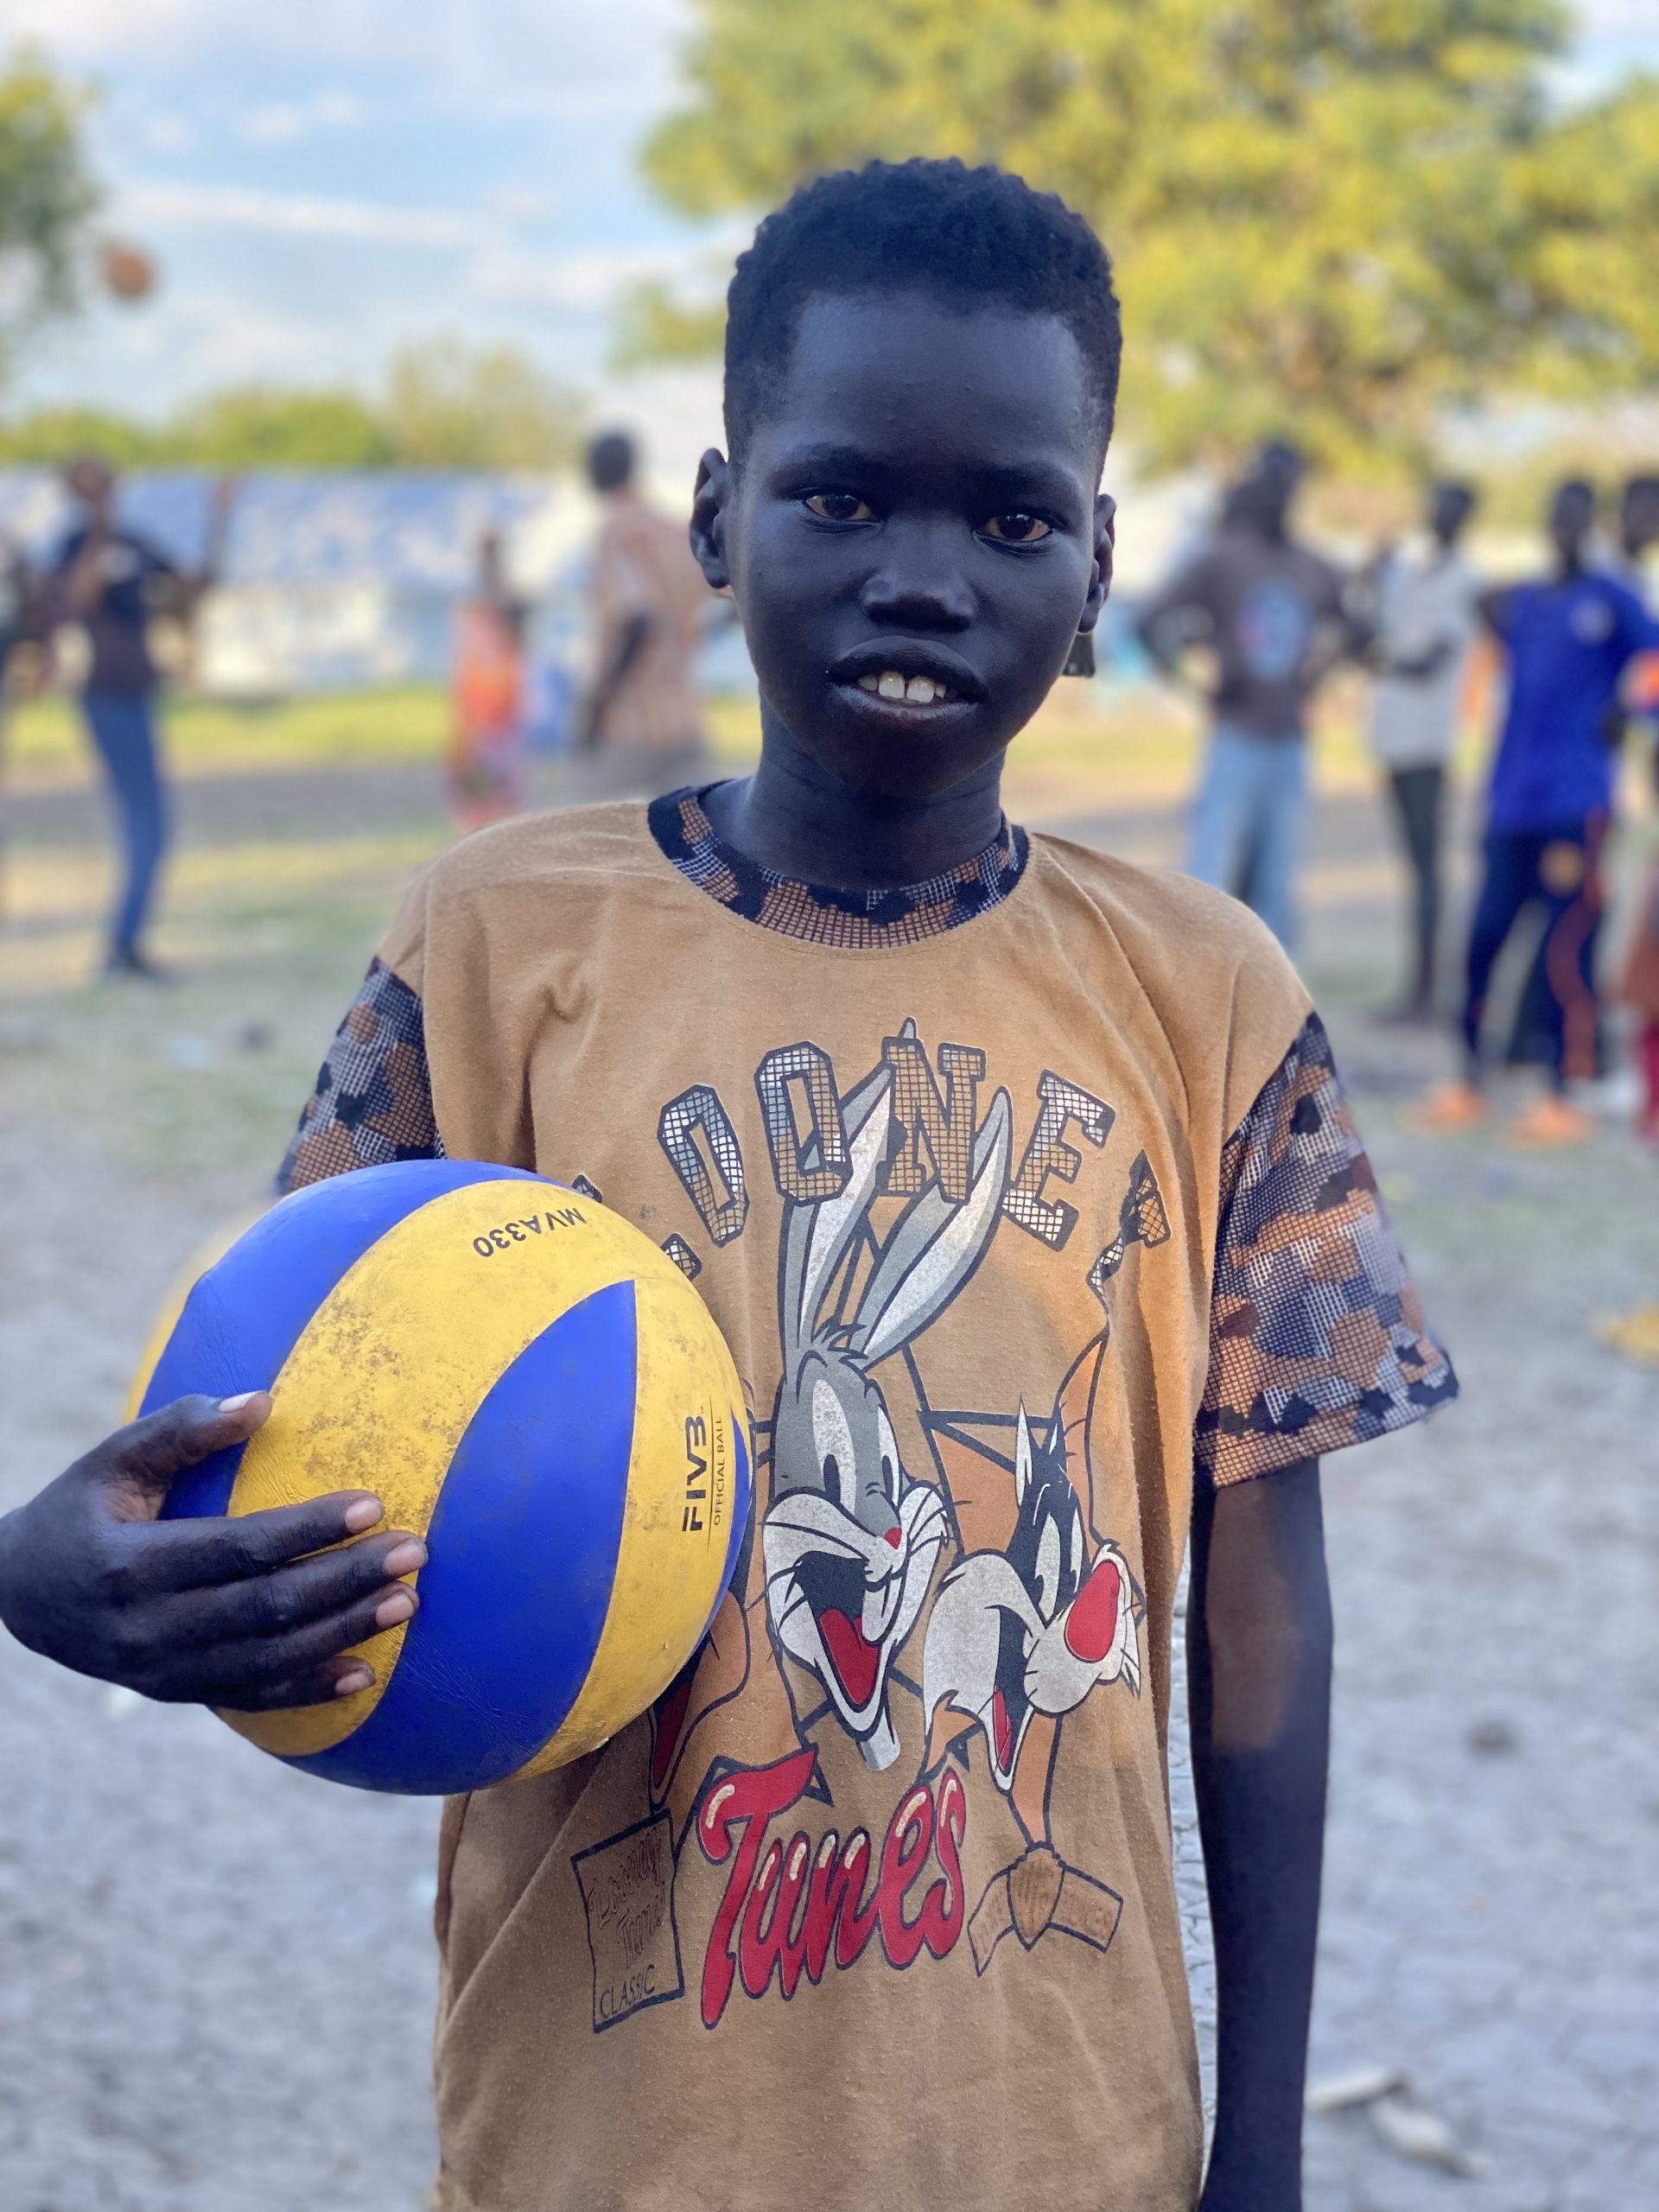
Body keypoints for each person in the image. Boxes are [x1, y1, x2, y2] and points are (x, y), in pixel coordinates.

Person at [0, 161, 1459, 2212]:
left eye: (1010, 515)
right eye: (844, 495)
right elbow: (289, 1421)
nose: (924, 572)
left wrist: (1263, 2149)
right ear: (715, 515)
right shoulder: (493, 938)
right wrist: (65, 1572)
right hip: (606, 2139)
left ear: (1102, 560)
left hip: (1065, 2129)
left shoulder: (1210, 995)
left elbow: (1262, 1607)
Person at [1413, 480, 1659, 1146]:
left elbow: (1655, 657)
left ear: (1592, 524)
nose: (1566, 531)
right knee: (1485, 938)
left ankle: (1563, 1090)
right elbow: (1482, 608)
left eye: (1577, 519)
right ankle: (1469, 1079)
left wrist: (1631, 711)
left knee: (1563, 946)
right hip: (1510, 799)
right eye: (1557, 519)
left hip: (1576, 803)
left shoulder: (1611, 598)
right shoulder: (1527, 602)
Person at [1136, 441, 1359, 950]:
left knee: (1277, 883)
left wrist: (1318, 676)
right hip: (1235, 737)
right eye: (1273, 483)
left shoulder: (1312, 565)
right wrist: (1193, 683)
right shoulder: (1223, 560)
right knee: (1211, 871)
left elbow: (1357, 628)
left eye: (1291, 485)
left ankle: (1271, 1004)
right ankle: (1193, 992)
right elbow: (1151, 620)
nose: (1282, 495)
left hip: (1290, 741)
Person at [48, 460, 236, 980]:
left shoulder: (136, 542)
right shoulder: (73, 545)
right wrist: (98, 520)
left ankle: (127, 944)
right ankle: (122, 947)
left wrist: (219, 519)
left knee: (153, 825)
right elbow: (79, 598)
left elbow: (196, 587)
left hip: (139, 697)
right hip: (104, 698)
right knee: (146, 824)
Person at [1364, 484, 1481, 1020]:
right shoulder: (1409, 572)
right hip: (1392, 738)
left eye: (1451, 506)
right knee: (1416, 867)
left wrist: (1381, 656)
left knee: (1427, 867)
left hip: (1428, 743)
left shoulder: (1464, 580)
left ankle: (1429, 992)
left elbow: (1431, 658)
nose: (1440, 512)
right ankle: (1421, 988)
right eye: (1437, 502)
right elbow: (1371, 621)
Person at [580, 428, 708, 794]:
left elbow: (637, 619)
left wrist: (599, 701)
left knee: (597, 836)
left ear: (598, 469)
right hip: (683, 714)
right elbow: (726, 601)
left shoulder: (617, 532)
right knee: (687, 842)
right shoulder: (672, 530)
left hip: (631, 723)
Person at [447, 527, 529, 833]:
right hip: (482, 707)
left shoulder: (505, 605)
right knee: (482, 790)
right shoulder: (480, 607)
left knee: (496, 793)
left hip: (497, 707)